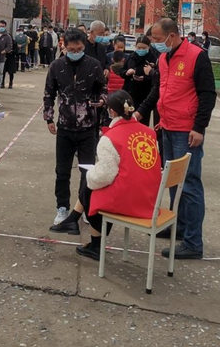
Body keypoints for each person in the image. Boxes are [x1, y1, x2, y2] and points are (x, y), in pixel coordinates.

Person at [134, 18, 216, 260]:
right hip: (167, 128)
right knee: (172, 181)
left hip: (186, 131)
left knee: (189, 184)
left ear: (172, 35)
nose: (155, 43)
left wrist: (199, 127)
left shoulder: (197, 56)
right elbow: (157, 91)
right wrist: (140, 112)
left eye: (158, 39)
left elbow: (208, 94)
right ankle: (178, 226)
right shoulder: (163, 58)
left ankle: (193, 242)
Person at [63, 91, 162, 260]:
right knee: (96, 183)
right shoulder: (150, 133)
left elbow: (104, 177)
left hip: (130, 200)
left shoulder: (110, 138)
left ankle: (94, 243)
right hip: (150, 198)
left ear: (112, 112)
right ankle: (74, 219)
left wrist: (90, 174)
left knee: (92, 189)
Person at [44, 28, 107, 227]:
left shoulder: (93, 65)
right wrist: (49, 118)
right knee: (62, 171)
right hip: (65, 127)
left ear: (83, 46)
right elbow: (49, 93)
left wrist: (102, 101)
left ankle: (85, 207)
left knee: (88, 171)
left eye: (79, 49)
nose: (75, 52)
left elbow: (104, 89)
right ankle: (62, 207)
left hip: (88, 126)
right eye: (71, 49)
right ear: (64, 47)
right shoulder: (56, 66)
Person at [119, 35, 158, 125]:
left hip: (145, 95)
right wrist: (126, 73)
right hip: (129, 93)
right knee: (127, 120)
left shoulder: (153, 59)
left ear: (148, 47)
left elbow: (156, 77)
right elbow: (122, 71)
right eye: (139, 47)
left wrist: (145, 78)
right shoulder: (131, 57)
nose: (141, 50)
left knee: (142, 123)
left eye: (143, 48)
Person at [0, 20, 13, 89]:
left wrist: (3, 51)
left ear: (5, 27)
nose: (1, 27)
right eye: (0, 26)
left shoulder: (7, 36)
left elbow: (9, 47)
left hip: (1, 58)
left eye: (3, 26)